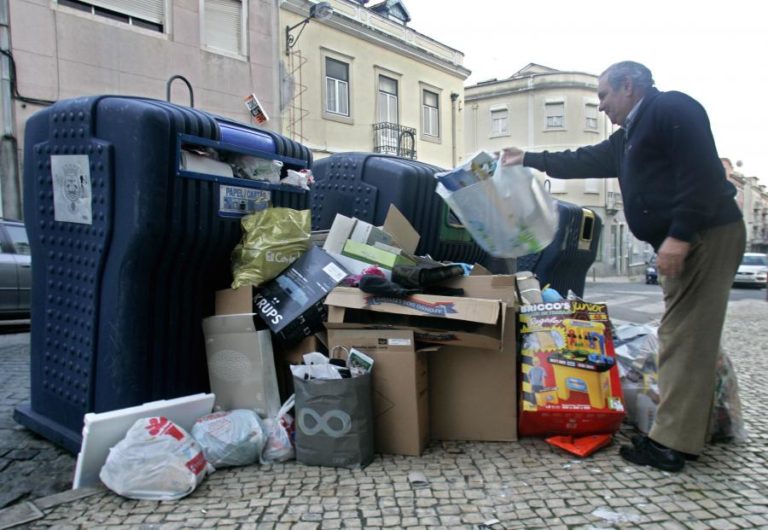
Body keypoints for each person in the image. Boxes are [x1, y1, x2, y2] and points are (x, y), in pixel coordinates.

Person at [502, 61, 745, 472]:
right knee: (681, 337)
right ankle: (685, 431)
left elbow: (701, 176)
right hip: (690, 239)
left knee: (685, 340)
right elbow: (582, 160)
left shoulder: (671, 109)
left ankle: (671, 446)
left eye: (603, 95)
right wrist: (527, 157)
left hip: (705, 237)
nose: (600, 106)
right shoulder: (629, 137)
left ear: (628, 86)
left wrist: (679, 236)